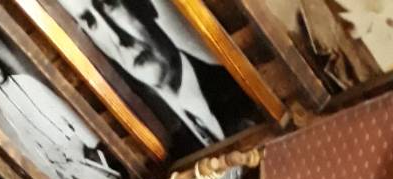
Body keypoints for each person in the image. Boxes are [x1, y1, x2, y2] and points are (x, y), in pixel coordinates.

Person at [0, 22, 124, 179]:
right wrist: (57, 170)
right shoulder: (3, 103)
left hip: (88, 152)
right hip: (71, 168)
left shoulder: (26, 81)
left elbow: (67, 113)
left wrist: (81, 143)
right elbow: (30, 143)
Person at [71, 0, 256, 151]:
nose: (118, 38)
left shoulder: (246, 89)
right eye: (90, 22)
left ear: (146, 5)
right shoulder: (138, 138)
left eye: (110, 4)